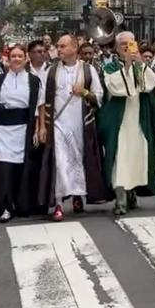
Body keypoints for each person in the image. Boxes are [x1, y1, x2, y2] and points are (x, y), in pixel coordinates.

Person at [38, 34, 109, 221]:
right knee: (60, 162)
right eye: (58, 46)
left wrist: (83, 92)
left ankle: (78, 195)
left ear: (73, 48)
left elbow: (99, 96)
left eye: (62, 46)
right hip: (58, 124)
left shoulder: (88, 69)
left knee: (78, 161)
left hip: (80, 124)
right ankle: (59, 203)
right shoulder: (51, 70)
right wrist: (42, 127)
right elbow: (43, 98)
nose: (59, 49)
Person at [0, 45, 44, 222]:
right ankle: (5, 206)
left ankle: (22, 204)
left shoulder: (34, 81)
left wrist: (39, 128)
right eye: (14, 56)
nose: (17, 59)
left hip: (24, 130)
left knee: (22, 168)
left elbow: (39, 106)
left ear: (26, 58)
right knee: (3, 168)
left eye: (20, 56)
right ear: (8, 58)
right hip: (2, 131)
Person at [99, 32, 155, 216]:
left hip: (138, 118)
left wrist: (139, 64)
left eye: (131, 44)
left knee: (138, 156)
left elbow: (150, 84)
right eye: (124, 45)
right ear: (117, 47)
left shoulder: (140, 65)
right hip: (119, 121)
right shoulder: (110, 67)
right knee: (120, 158)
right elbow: (114, 88)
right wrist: (126, 65)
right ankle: (120, 199)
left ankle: (132, 191)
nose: (128, 48)